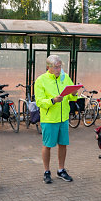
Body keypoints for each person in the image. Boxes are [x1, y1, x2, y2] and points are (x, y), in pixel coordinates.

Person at [35, 55, 78, 184]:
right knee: (47, 145)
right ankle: (46, 171)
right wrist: (53, 101)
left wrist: (74, 93)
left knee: (63, 144)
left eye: (60, 66)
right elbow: (39, 102)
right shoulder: (41, 80)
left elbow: (71, 97)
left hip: (63, 118)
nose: (59, 69)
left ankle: (61, 170)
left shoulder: (65, 78)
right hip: (49, 119)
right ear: (48, 67)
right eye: (56, 67)